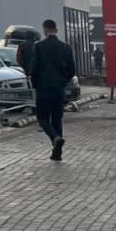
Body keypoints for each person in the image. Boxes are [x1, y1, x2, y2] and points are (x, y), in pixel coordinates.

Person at [29, 19, 76, 161]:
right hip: (59, 89)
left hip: (43, 88)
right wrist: (63, 81)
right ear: (55, 29)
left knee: (42, 118)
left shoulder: (39, 47)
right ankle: (57, 153)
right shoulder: (65, 47)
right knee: (57, 119)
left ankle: (55, 138)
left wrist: (35, 84)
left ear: (45, 29)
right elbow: (72, 70)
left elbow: (34, 68)